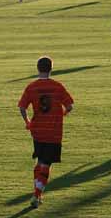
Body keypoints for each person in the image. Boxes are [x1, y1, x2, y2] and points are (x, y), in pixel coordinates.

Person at [18, 56, 74, 208]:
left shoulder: (31, 87)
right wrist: (62, 114)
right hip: (53, 131)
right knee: (46, 164)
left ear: (38, 68)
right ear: (51, 69)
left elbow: (22, 107)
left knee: (40, 161)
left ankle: (37, 193)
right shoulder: (57, 86)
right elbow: (70, 106)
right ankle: (37, 195)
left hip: (37, 130)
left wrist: (27, 122)